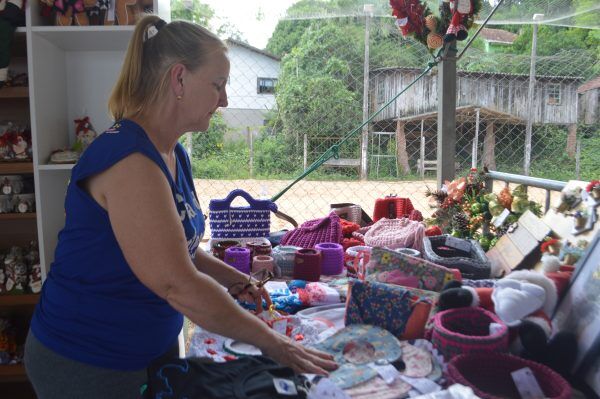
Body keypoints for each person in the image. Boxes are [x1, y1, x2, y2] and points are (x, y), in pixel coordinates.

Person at [24, 15, 337, 399]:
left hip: (144, 347)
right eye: (217, 85)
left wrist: (234, 279)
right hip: (88, 359)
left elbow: (181, 250)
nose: (223, 100)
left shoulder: (173, 153)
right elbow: (176, 282)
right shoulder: (129, 161)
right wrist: (277, 344)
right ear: (179, 80)